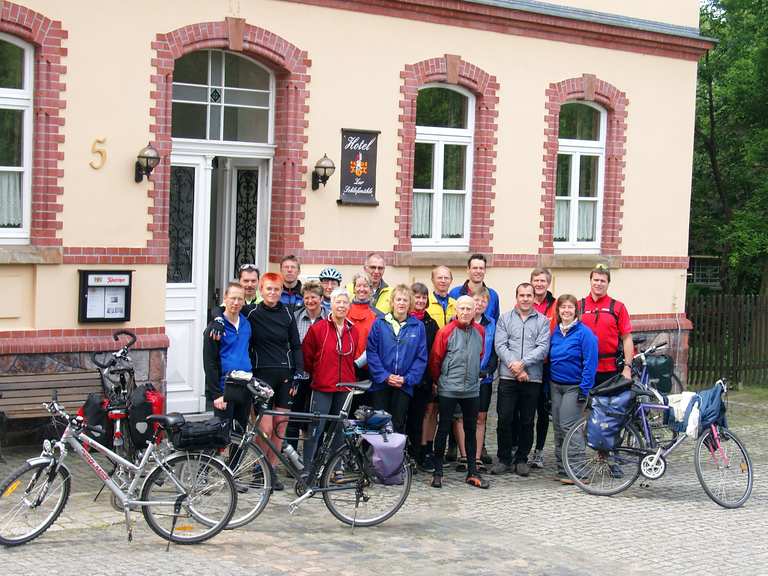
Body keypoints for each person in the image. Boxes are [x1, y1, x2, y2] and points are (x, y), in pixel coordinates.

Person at [246, 271, 304, 491]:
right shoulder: (251, 312)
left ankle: (271, 470)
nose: (273, 293)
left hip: (285, 375)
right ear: (261, 290)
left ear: (282, 291)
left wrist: (299, 373)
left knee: (280, 426)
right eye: (269, 289)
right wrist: (217, 323)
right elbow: (225, 312)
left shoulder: (288, 314)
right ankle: (259, 469)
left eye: (277, 289)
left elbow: (296, 345)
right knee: (265, 427)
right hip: (261, 375)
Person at [428, 295, 489, 489]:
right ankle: (438, 472)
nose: (464, 312)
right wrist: (439, 381)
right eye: (461, 308)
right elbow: (435, 360)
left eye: (468, 309)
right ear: (456, 311)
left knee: (470, 430)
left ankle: (472, 471)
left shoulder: (480, 331)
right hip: (448, 388)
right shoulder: (446, 332)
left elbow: (480, 355)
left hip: (471, 389)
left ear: (474, 311)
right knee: (443, 429)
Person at [493, 283, 550, 477]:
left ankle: (521, 459)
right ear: (516, 297)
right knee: (505, 418)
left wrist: (523, 364)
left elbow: (543, 348)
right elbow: (500, 345)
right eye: (522, 295)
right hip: (508, 377)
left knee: (527, 420)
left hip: (532, 378)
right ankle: (503, 459)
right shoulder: (504, 319)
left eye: (529, 295)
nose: (525, 299)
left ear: (534, 297)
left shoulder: (542, 321)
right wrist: (515, 368)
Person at [301, 288, 360, 467]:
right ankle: (309, 468)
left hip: (345, 387)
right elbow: (307, 357)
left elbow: (352, 356)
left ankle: (335, 468)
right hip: (323, 386)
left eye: (344, 302)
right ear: (330, 304)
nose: (341, 306)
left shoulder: (353, 330)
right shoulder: (318, 329)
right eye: (338, 302)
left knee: (339, 429)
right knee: (316, 428)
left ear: (349, 306)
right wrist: (320, 373)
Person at [549, 294, 598, 483]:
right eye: (563, 307)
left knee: (570, 427)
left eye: (570, 307)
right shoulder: (555, 332)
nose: (566, 311)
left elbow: (590, 363)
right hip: (556, 385)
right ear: (558, 311)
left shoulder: (584, 334)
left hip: (574, 387)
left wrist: (583, 390)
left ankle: (579, 472)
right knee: (558, 428)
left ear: (576, 311)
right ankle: (563, 469)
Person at [366, 285, 428, 433]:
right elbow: (372, 352)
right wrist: (385, 376)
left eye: (405, 300)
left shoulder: (417, 327)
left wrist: (406, 379)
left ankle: (394, 456)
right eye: (398, 299)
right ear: (392, 302)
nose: (401, 303)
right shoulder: (379, 323)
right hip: (381, 384)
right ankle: (376, 456)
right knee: (378, 424)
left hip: (403, 385)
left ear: (410, 304)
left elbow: (421, 357)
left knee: (398, 424)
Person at [203, 281, 252, 431]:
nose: (236, 303)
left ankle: (236, 457)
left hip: (245, 385)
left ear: (244, 301)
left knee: (240, 432)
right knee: (221, 436)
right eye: (232, 298)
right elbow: (209, 362)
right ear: (225, 298)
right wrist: (216, 394)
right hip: (225, 387)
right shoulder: (215, 328)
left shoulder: (246, 323)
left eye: (240, 299)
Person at [286, 281, 327, 450]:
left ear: (322, 298)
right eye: (307, 298)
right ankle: (292, 457)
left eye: (314, 297)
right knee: (294, 417)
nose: (310, 301)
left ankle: (313, 460)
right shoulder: (294, 317)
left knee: (316, 418)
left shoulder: (329, 317)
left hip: (321, 376)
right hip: (300, 374)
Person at [579, 266, 633, 385]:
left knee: (609, 403)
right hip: (582, 367)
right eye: (596, 280)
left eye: (603, 281)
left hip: (610, 370)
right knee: (583, 403)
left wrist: (627, 368)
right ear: (590, 281)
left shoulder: (618, 307)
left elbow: (627, 338)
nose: (599, 283)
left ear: (608, 283)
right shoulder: (578, 306)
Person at [406, 282, 440, 469]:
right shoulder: (402, 318)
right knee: (403, 418)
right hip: (403, 379)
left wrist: (434, 379)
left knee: (420, 418)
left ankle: (419, 455)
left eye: (423, 297)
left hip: (424, 379)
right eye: (417, 296)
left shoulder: (431, 324)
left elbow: (434, 354)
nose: (420, 300)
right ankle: (403, 455)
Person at [529, 267, 556, 469]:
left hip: (548, 365)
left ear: (548, 283)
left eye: (542, 281)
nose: (539, 284)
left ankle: (538, 451)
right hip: (527, 365)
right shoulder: (525, 302)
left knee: (542, 410)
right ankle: (520, 447)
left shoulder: (556, 306)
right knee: (524, 411)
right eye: (536, 281)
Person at [471, 287, 498, 473]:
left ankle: (477, 456)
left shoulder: (492, 323)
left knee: (481, 417)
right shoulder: (463, 320)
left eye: (483, 301)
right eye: (476, 300)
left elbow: (495, 351)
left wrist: (488, 371)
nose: (479, 304)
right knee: (464, 418)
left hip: (484, 378)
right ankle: (466, 456)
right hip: (464, 377)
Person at [347, 271, 382, 372]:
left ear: (371, 289)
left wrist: (358, 363)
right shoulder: (344, 311)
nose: (361, 289)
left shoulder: (378, 316)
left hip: (369, 368)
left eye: (365, 286)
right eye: (358, 286)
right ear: (354, 289)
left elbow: (376, 344)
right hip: (345, 366)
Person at [448, 253, 501, 321]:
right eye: (475, 268)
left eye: (481, 268)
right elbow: (451, 319)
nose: (478, 271)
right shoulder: (455, 293)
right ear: (468, 269)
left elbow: (495, 322)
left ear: (485, 270)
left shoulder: (493, 295)